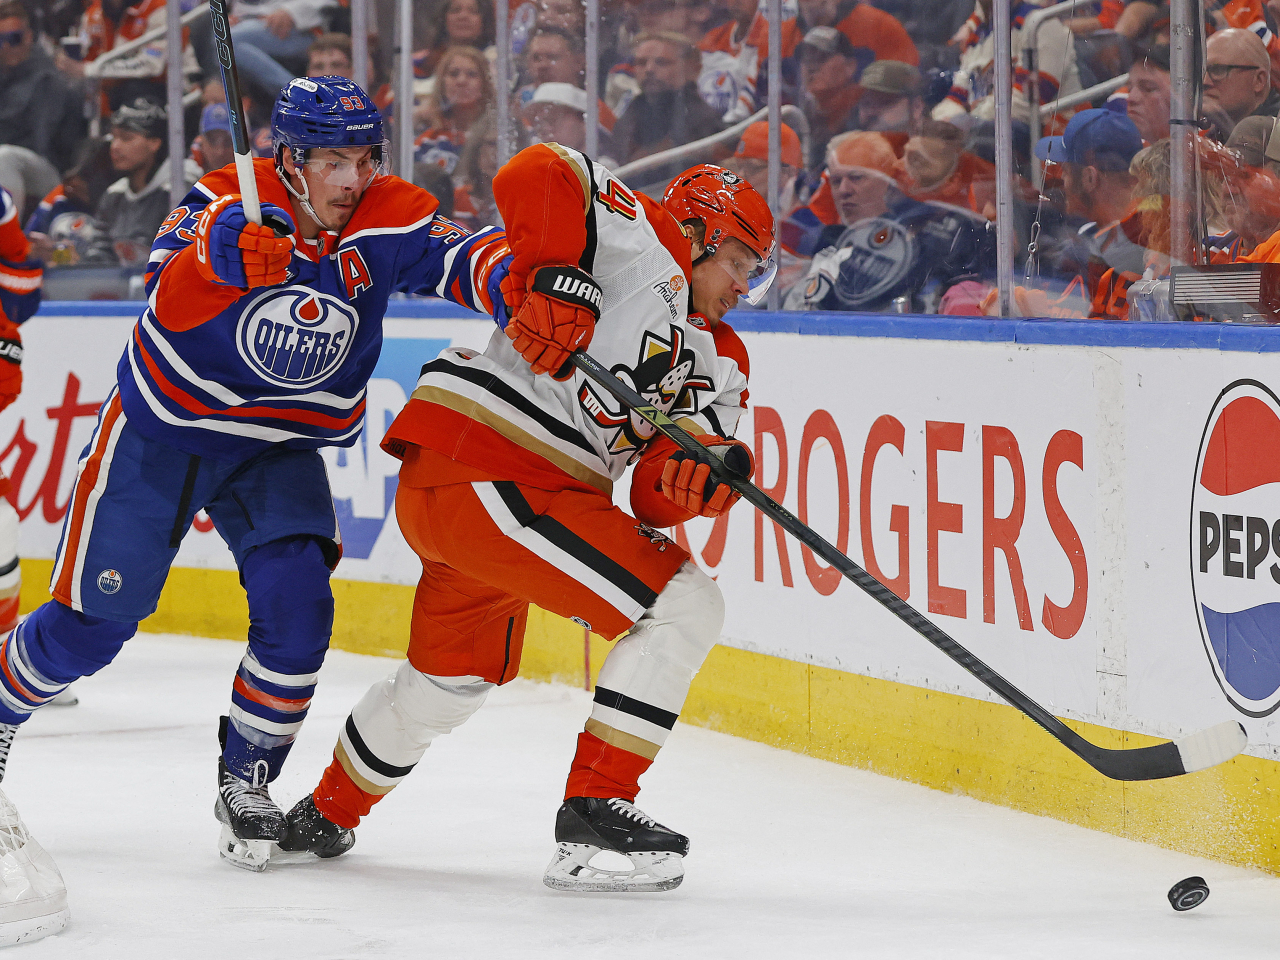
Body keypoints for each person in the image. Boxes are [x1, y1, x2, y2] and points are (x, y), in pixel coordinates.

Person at [0, 76, 513, 875]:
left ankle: (246, 778)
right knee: (91, 627)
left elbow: (463, 253)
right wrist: (222, 263)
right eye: (334, 160)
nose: (354, 177)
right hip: (166, 430)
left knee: (300, 609)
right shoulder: (216, 204)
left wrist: (523, 287)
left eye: (365, 156)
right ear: (292, 158)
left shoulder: (389, 208)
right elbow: (162, 295)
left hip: (278, 444)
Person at [281, 155, 773, 895]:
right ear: (701, 231)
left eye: (755, 274)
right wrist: (556, 273)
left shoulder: (724, 363)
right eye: (739, 262)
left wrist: (700, 475)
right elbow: (537, 170)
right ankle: (595, 812)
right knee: (684, 604)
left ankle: (324, 813)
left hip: (492, 501)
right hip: (497, 467)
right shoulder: (640, 236)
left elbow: (650, 502)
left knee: (449, 683)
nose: (744, 286)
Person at [786, 130, 994, 311]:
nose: (844, 190)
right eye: (836, 181)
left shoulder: (960, 233)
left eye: (857, 177)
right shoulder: (832, 245)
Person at [936, 0, 1080, 126]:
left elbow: (1026, 103)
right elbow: (956, 98)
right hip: (987, 127)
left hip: (1053, 137)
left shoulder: (1042, 25)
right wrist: (944, 122)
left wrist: (969, 120)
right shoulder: (976, 39)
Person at [93, 98, 199, 268]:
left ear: (154, 143)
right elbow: (99, 251)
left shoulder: (181, 190)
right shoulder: (114, 195)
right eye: (114, 137)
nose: (115, 146)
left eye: (126, 138)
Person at [611, 32, 725, 174]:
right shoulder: (630, 115)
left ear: (691, 69)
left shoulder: (703, 120)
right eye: (641, 63)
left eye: (661, 62)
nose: (649, 69)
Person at [0, 1, 85, 174]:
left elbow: (42, 144)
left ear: (28, 37)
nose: (6, 46)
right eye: (0, 40)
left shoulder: (46, 80)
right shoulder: (5, 75)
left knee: (5, 158)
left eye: (13, 38)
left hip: (43, 169)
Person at [414, 45, 495, 176]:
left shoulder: (497, 137)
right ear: (442, 83)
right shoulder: (426, 142)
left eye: (472, 74)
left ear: (485, 83)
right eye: (453, 74)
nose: (461, 81)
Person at [1202, 28, 1277, 141]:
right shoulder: (1208, 135)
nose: (1205, 81)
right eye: (1202, 71)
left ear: (1259, 80)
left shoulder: (1276, 132)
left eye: (1218, 70)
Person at [1126, 44, 1171, 144]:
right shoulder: (1136, 151)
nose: (1131, 98)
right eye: (1129, 89)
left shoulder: (1205, 153)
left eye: (1148, 88)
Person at [193, 103, 235, 176]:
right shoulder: (184, 168)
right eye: (212, 140)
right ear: (201, 142)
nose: (220, 152)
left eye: (228, 141)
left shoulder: (258, 170)